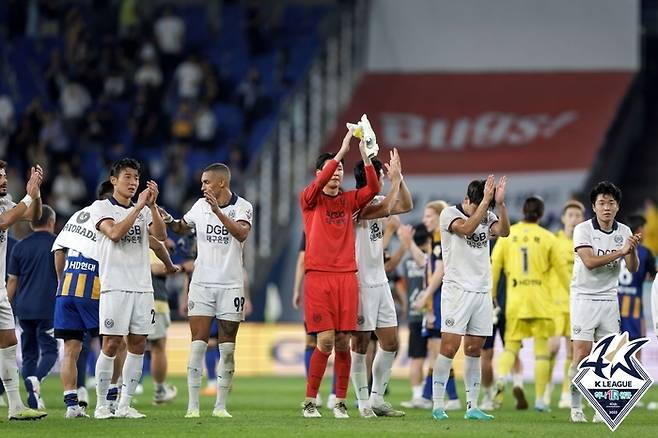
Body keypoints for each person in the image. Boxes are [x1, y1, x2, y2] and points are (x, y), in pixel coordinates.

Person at [160, 163, 253, 419]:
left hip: (231, 285)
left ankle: (220, 406)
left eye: (206, 182)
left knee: (227, 349)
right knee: (198, 345)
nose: (202, 187)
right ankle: (192, 407)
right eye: (202, 182)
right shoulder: (200, 206)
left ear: (221, 183)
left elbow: (241, 234)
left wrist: (218, 212)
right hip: (201, 283)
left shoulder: (243, 206)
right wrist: (166, 217)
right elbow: (181, 226)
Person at [300, 127, 378, 418]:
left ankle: (341, 401)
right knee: (326, 341)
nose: (336, 173)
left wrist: (365, 157)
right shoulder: (309, 199)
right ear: (319, 173)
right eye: (330, 169)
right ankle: (310, 401)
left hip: (347, 276)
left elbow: (373, 190)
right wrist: (343, 149)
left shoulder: (347, 201)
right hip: (318, 276)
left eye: (340, 169)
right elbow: (320, 180)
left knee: (344, 342)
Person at [90, 158, 169, 419]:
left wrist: (153, 207)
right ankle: (102, 405)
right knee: (111, 343)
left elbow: (161, 237)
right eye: (128, 177)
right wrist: (138, 208)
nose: (133, 182)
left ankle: (125, 404)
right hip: (115, 286)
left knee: (138, 344)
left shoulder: (145, 210)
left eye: (136, 178)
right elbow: (114, 233)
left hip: (143, 288)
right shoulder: (101, 207)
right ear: (114, 180)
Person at [431, 175, 510, 421]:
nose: (483, 211)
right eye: (478, 205)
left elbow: (505, 232)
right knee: (449, 347)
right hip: (456, 291)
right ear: (466, 200)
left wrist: (500, 204)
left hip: (481, 292)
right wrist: (485, 203)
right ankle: (437, 405)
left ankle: (472, 407)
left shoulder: (488, 213)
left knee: (475, 349)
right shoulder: (449, 214)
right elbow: (466, 229)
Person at [491, 196, 571, 412]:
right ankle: (540, 400)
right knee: (542, 352)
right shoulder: (548, 238)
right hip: (541, 302)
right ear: (542, 214)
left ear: (523, 211)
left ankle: (500, 380)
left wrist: (491, 295)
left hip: (516, 301)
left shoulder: (508, 235)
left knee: (510, 347)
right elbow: (563, 273)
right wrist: (574, 295)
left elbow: (495, 266)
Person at [569, 181, 640, 423]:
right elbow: (589, 261)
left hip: (609, 298)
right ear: (594, 206)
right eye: (602, 203)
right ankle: (576, 407)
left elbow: (632, 267)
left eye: (611, 202)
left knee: (610, 357)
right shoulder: (582, 230)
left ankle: (602, 407)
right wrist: (621, 252)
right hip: (583, 298)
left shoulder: (625, 232)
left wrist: (631, 251)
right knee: (581, 355)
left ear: (617, 206)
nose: (606, 207)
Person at [351, 149, 412, 418]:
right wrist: (395, 182)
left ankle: (377, 399)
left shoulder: (377, 198)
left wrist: (401, 180)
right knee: (361, 343)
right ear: (370, 176)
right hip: (360, 282)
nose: (382, 179)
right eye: (379, 175)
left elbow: (405, 205)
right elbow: (388, 207)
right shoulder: (355, 203)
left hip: (380, 281)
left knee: (391, 343)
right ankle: (363, 402)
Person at [52, 181, 114, 418]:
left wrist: (61, 281)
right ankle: (109, 400)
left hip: (66, 288)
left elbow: (58, 249)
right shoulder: (109, 216)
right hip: (93, 289)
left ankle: (71, 406)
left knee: (71, 349)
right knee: (113, 343)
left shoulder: (78, 214)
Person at [0, 160, 47, 420]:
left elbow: (33, 216)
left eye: (5, 175)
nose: (4, 180)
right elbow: (5, 221)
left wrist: (36, 194)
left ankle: (16, 407)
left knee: (8, 343)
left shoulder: (5, 200)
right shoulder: (5, 208)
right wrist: (28, 196)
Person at [7, 205, 59, 411]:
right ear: (51, 222)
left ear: (31, 222)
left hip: (24, 309)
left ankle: (33, 393)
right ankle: (35, 379)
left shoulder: (19, 247)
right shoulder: (58, 245)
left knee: (28, 354)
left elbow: (12, 282)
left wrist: (6, 306)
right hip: (48, 307)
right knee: (50, 351)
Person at [410, 201, 461, 411]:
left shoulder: (442, 237)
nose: (425, 220)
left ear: (441, 216)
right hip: (435, 300)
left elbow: (440, 271)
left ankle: (450, 397)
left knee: (440, 349)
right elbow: (428, 265)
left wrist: (425, 297)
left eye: (429, 216)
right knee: (434, 349)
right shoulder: (434, 239)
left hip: (442, 298)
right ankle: (429, 395)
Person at [546, 200, 585, 409]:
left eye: (577, 216)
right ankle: (545, 390)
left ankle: (565, 394)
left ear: (583, 218)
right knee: (551, 349)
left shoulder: (587, 243)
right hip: (554, 304)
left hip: (577, 305)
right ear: (563, 219)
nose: (573, 219)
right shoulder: (553, 241)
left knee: (573, 354)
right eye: (570, 215)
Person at [292, 232, 337, 408]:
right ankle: (335, 396)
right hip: (342, 286)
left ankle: (314, 393)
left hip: (317, 289)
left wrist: (297, 289)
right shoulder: (345, 223)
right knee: (341, 343)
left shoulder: (310, 229)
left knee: (312, 342)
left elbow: (303, 259)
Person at [618, 215, 655, 348]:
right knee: (635, 350)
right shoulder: (645, 253)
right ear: (639, 230)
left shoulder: (617, 248)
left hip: (615, 306)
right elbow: (653, 276)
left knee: (612, 352)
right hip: (634, 308)